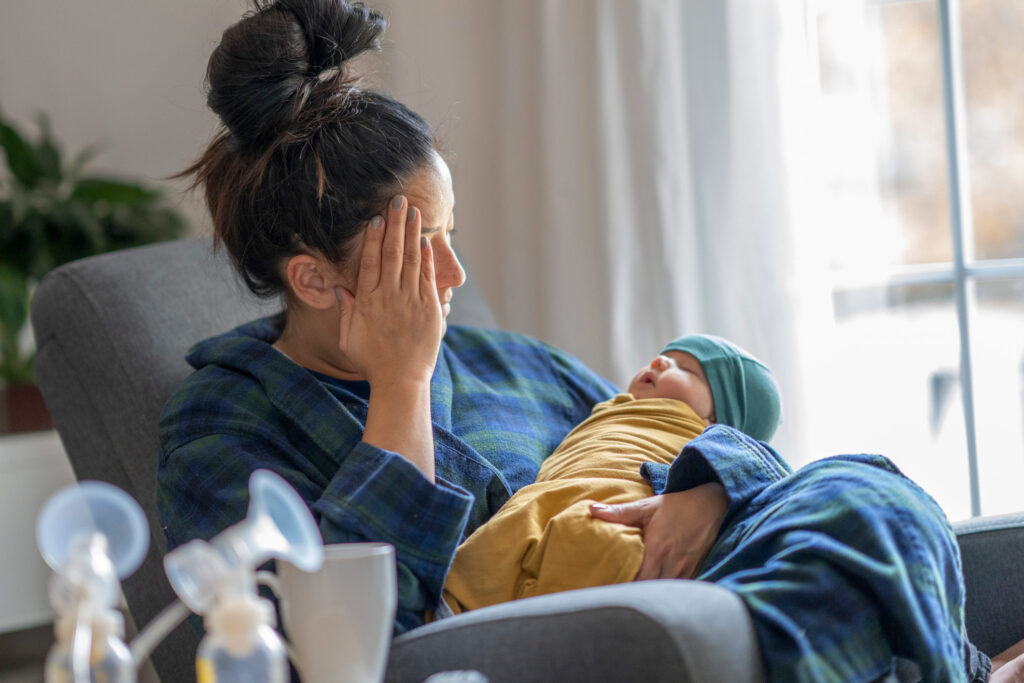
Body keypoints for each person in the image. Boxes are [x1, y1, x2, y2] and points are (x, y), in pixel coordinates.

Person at [155, 1, 1024, 680]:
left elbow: (647, 430)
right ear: (313, 279)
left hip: (714, 573)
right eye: (423, 251)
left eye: (454, 235)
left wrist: (707, 488)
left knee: (864, 486)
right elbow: (332, 650)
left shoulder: (514, 364)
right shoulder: (219, 424)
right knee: (831, 568)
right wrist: (402, 387)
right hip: (551, 646)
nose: (455, 278)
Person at [441, 334, 781, 614]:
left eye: (688, 370)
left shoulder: (707, 436)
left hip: (617, 501)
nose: (660, 362)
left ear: (716, 419)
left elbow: (753, 468)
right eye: (664, 355)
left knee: (600, 544)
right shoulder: (608, 407)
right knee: (480, 561)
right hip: (547, 498)